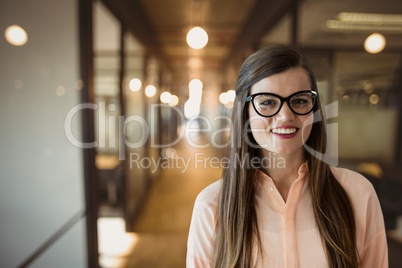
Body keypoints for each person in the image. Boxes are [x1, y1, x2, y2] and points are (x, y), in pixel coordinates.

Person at [186, 45, 388, 267]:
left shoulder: (357, 193)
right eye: (267, 102)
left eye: (299, 101)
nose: (285, 116)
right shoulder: (211, 206)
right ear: (245, 111)